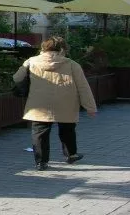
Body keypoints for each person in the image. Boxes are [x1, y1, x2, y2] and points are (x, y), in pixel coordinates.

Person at [13, 36, 97, 171]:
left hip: (39, 103)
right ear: (62, 49)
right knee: (67, 129)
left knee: (40, 132)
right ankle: (71, 155)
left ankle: (41, 162)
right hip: (66, 102)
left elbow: (17, 78)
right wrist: (90, 107)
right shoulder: (72, 64)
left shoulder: (31, 62)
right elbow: (83, 87)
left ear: (43, 47)